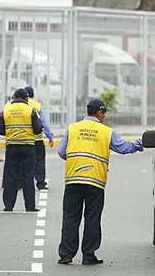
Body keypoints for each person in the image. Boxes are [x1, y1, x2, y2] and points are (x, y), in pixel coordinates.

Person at [56, 99, 144, 265]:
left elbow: (61, 152)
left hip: (73, 179)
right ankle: (89, 255)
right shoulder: (106, 132)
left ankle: (66, 254)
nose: (104, 117)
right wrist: (141, 143)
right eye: (104, 113)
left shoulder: (72, 128)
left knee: (70, 217)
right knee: (92, 218)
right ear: (99, 112)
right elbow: (125, 148)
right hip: (95, 181)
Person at [0, 88, 42, 212]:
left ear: (14, 97)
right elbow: (38, 129)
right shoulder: (31, 110)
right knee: (28, 176)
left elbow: (0, 130)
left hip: (11, 147)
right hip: (28, 147)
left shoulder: (6, 110)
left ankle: (8, 205)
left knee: (11, 176)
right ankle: (30, 206)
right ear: (26, 98)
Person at [25, 86, 54, 190]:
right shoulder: (37, 106)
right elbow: (44, 123)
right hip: (37, 140)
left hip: (24, 140)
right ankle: (41, 183)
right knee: (39, 162)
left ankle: (20, 183)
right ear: (33, 94)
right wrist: (50, 136)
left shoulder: (17, 106)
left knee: (23, 162)